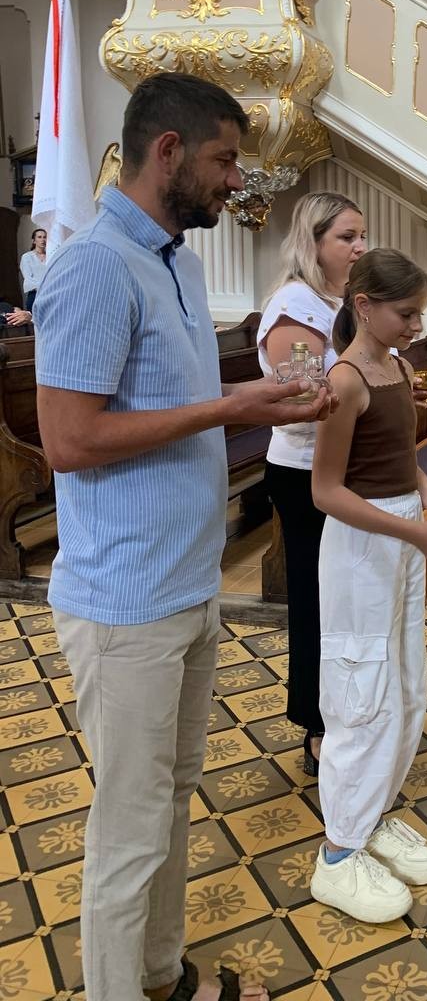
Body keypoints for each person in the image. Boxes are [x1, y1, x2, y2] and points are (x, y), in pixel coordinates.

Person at [33, 71, 334, 1001]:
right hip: (124, 601)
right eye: (223, 159)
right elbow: (69, 440)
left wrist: (258, 395)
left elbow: (175, 401)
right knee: (127, 833)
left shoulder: (176, 261)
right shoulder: (94, 265)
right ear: (167, 151)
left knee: (167, 801)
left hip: (189, 585)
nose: (235, 179)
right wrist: (229, 407)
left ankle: (160, 978)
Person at [309, 248, 427, 923]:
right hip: (362, 549)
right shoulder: (346, 380)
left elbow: (405, 462)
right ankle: (337, 854)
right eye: (406, 313)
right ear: (364, 306)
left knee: (404, 684)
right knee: (362, 689)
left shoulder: (399, 367)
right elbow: (326, 491)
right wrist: (415, 533)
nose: (416, 326)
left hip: (402, 535)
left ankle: (370, 815)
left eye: (419, 314)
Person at [258, 192, 367, 774]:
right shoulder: (296, 306)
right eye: (347, 237)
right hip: (304, 473)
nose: (360, 247)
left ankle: (350, 710)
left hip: (344, 468)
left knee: (348, 598)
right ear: (314, 242)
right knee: (317, 601)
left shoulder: (339, 301)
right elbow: (302, 397)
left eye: (362, 236)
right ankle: (317, 725)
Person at [20, 227, 47, 309]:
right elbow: (28, 278)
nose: (43, 240)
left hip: (50, 293)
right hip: (34, 294)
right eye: (39, 237)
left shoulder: (51, 256)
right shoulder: (27, 257)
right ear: (34, 241)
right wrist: (42, 288)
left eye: (45, 237)